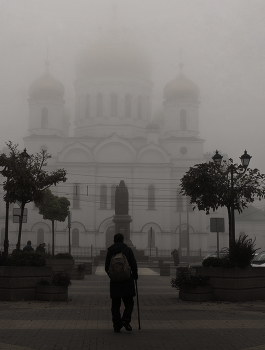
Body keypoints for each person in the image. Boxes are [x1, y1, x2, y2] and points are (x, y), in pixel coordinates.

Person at [105, 233, 138, 333]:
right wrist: (135, 276)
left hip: (115, 282)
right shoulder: (127, 250)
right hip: (127, 280)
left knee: (115, 304)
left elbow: (106, 267)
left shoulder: (110, 251)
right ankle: (125, 319)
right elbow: (133, 264)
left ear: (114, 240)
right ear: (123, 240)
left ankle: (116, 325)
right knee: (129, 302)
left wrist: (112, 276)